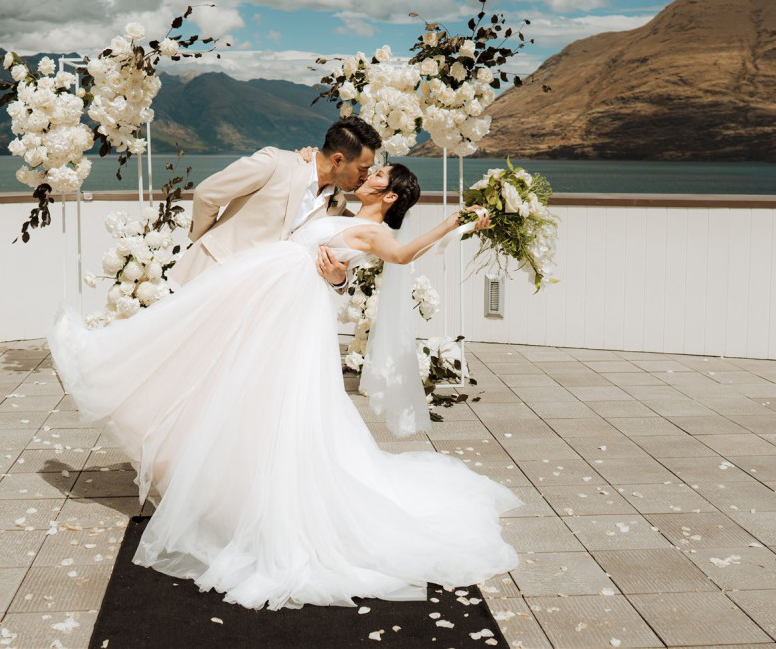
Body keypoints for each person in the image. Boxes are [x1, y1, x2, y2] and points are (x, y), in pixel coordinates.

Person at [48, 162, 520, 611]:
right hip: (266, 299)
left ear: (391, 194)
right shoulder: (344, 213)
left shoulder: (379, 232)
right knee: (212, 370)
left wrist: (453, 225)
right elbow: (333, 260)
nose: (368, 175)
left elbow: (400, 255)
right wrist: (337, 269)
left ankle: (261, 500)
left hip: (290, 317)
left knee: (274, 402)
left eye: (378, 175)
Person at [167, 116, 382, 290]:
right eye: (363, 168)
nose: (366, 176)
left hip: (259, 299)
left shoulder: (337, 206)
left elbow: (345, 259)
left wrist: (339, 280)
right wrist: (204, 242)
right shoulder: (275, 163)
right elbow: (207, 194)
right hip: (212, 277)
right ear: (338, 160)